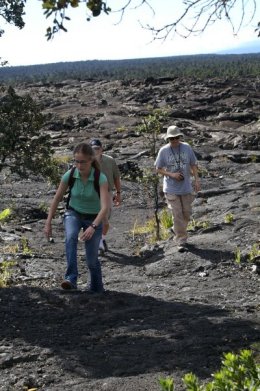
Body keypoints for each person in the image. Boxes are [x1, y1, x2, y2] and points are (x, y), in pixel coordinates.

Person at [44, 142, 109, 292]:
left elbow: (105, 207)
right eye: (76, 161)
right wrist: (48, 223)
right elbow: (56, 198)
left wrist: (93, 226)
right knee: (71, 236)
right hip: (74, 212)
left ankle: (96, 287)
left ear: (91, 160)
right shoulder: (71, 174)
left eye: (83, 162)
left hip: (94, 217)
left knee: (92, 259)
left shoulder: (101, 178)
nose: (79, 165)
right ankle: (71, 278)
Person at [155, 125, 201, 252]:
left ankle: (178, 230)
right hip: (171, 188)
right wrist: (172, 175)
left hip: (186, 186)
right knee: (177, 214)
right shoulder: (163, 151)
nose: (174, 140)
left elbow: (193, 164)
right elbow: (158, 169)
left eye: (176, 137)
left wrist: (197, 180)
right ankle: (181, 240)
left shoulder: (186, 147)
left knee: (187, 213)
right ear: (168, 139)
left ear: (180, 137)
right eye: (171, 138)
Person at [89, 139, 121, 253]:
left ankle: (101, 239)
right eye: (93, 149)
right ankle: (98, 243)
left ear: (102, 149)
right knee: (101, 220)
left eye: (97, 148)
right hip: (92, 194)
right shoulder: (86, 162)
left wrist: (118, 193)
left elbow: (116, 177)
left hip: (107, 193)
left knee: (106, 221)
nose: (96, 151)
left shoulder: (110, 160)